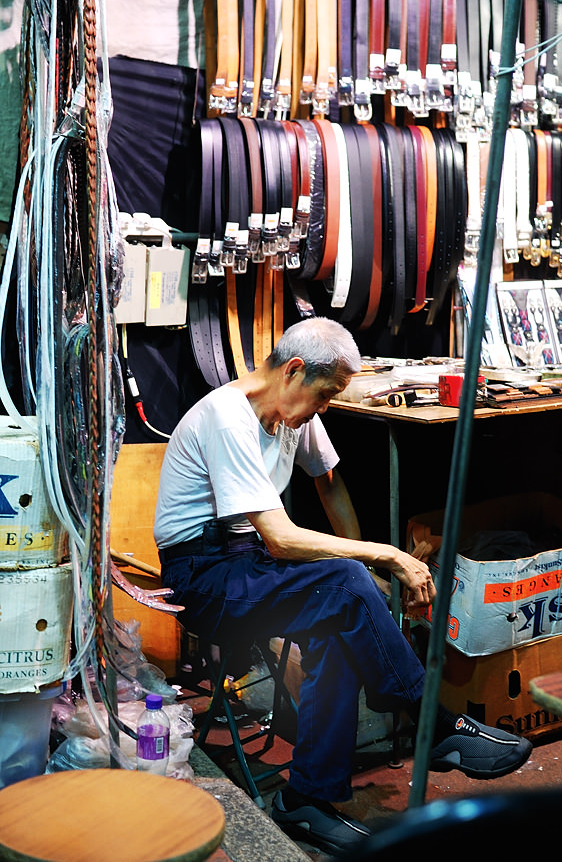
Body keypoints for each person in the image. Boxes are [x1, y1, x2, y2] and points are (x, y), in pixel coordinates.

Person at [154, 317, 532, 856]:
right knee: (346, 586)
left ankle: (305, 798)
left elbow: (329, 482)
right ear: (294, 370)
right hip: (204, 577)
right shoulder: (226, 417)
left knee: (339, 617)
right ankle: (433, 722)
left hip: (251, 565)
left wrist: (365, 575)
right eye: (326, 394)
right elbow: (282, 540)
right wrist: (380, 556)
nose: (326, 408)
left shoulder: (294, 414)